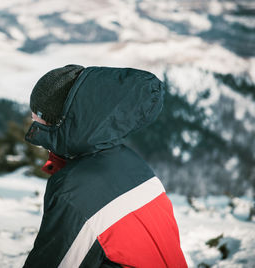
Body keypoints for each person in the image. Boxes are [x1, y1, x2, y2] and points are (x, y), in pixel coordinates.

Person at [23, 64, 187, 268]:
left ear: (58, 118)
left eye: (37, 112)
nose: (32, 118)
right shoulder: (133, 164)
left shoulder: (75, 190)